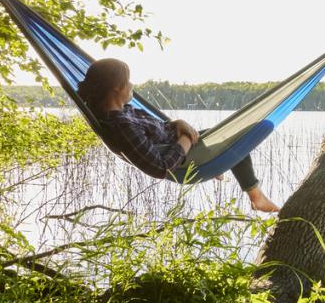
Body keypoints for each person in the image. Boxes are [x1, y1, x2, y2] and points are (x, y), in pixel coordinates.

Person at [76, 58, 280, 213]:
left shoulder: (126, 111)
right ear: (116, 87)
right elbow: (159, 168)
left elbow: (158, 127)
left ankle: (224, 165)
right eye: (128, 80)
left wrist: (176, 123)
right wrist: (187, 138)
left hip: (185, 144)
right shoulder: (120, 125)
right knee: (259, 127)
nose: (132, 85)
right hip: (183, 158)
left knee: (228, 136)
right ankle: (256, 197)